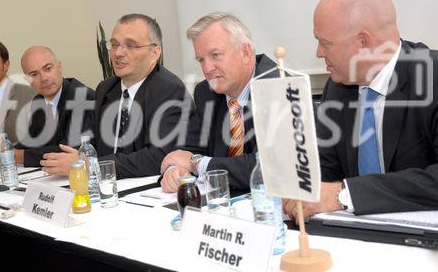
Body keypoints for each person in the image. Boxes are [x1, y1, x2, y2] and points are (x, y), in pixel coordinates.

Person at [283, 0, 438, 218]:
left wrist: (344, 195)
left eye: (325, 43)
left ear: (363, 42)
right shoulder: (336, 88)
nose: (319, 53)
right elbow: (325, 172)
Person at [41, 13, 193, 178]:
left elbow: (157, 157)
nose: (118, 53)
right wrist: (65, 157)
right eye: (114, 44)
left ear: (154, 53)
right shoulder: (106, 88)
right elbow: (87, 139)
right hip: (105, 185)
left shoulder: (169, 90)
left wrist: (90, 166)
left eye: (131, 45)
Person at [160, 12, 278, 193]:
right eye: (201, 60)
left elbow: (266, 167)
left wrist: (197, 164)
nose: (207, 69)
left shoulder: (277, 87)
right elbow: (186, 151)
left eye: (215, 55)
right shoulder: (205, 92)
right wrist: (174, 170)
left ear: (245, 52)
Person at [15, 46, 95, 167]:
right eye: (34, 74)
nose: (44, 78)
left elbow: (69, 151)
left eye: (47, 69)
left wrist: (21, 156)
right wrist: (4, 151)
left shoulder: (82, 97)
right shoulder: (39, 101)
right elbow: (31, 141)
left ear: (59, 66)